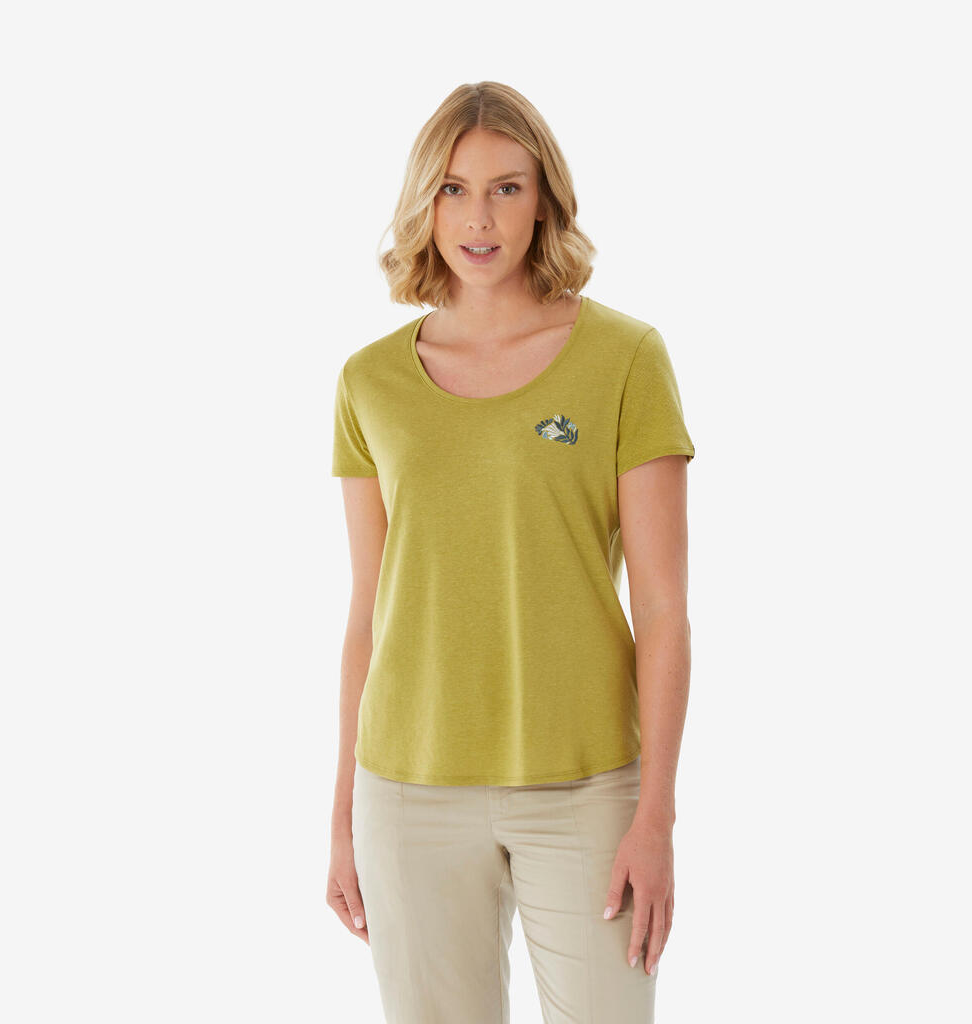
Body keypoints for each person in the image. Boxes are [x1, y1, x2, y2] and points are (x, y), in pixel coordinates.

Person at [326, 81, 695, 1024]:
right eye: (452, 189)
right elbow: (368, 609)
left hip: (587, 789)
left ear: (544, 201)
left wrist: (656, 814)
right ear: (424, 202)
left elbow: (662, 608)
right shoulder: (369, 382)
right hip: (406, 794)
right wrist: (342, 815)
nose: (478, 219)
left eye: (506, 188)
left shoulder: (625, 357)